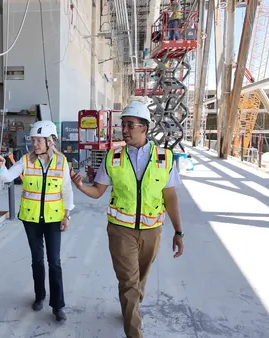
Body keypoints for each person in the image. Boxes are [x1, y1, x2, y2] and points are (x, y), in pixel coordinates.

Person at [70, 101, 184, 338]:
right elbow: (98, 191)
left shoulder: (165, 158)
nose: (125, 130)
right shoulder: (113, 157)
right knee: (129, 283)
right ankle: (134, 331)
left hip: (152, 230)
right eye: (123, 125)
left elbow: (170, 196)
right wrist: (81, 185)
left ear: (144, 128)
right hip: (121, 231)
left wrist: (178, 232)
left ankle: (130, 305)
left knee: (140, 278)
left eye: (130, 125)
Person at [0, 120, 74, 322]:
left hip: (54, 218)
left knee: (54, 262)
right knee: (37, 260)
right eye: (33, 140)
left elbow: (67, 190)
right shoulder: (26, 161)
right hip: (31, 219)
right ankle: (40, 296)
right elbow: (8, 177)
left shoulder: (62, 162)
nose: (35, 144)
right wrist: (2, 167)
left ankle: (58, 305)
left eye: (39, 140)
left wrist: (67, 215)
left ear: (51, 141)